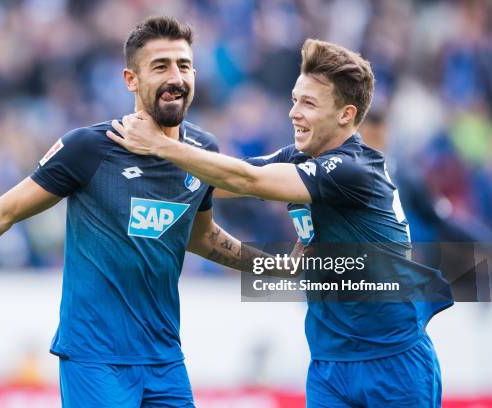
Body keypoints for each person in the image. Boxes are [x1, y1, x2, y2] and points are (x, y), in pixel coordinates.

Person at [0, 16, 245, 407]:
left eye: (184, 65)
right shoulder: (90, 147)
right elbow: (6, 210)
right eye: (161, 66)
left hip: (166, 360)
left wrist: (276, 266)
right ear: (130, 79)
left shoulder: (202, 152)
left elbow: (202, 235)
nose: (175, 77)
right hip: (95, 360)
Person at [108, 39, 454, 407]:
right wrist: (134, 170)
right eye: (293, 99)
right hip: (329, 366)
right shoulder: (298, 157)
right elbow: (222, 182)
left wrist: (163, 147)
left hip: (393, 364)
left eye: (308, 103)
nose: (293, 113)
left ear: (345, 114)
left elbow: (249, 181)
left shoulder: (356, 169)